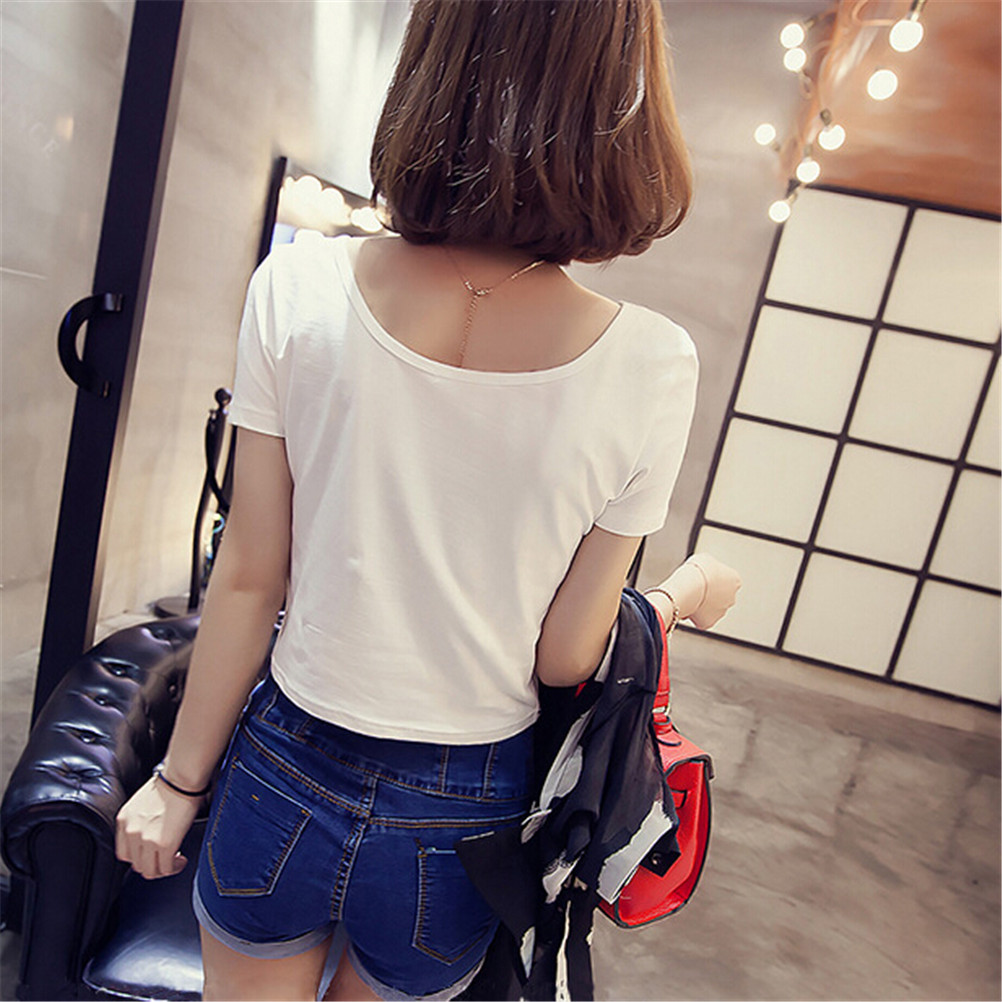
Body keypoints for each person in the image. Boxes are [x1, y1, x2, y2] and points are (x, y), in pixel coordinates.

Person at [115, 1, 741, 999]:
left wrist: (177, 783)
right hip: (465, 811)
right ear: (621, 105)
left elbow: (248, 575)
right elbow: (565, 657)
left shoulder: (298, 288)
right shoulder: (656, 364)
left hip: (285, 761)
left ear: (431, 65)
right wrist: (682, 595)